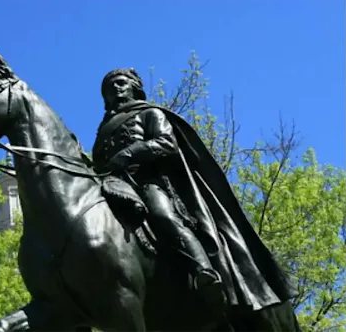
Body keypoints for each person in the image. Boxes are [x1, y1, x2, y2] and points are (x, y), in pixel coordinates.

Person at [91, 68, 297, 311]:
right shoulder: (102, 132)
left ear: (134, 86)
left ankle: (203, 270)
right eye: (109, 87)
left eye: (121, 83)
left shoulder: (149, 113)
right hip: (112, 185)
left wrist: (129, 153)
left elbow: (166, 143)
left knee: (162, 215)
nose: (115, 88)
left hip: (147, 181)